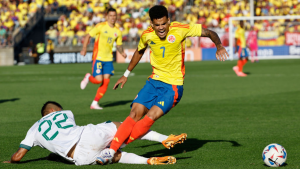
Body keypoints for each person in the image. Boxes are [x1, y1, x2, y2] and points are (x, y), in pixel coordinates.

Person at [96, 5, 229, 164]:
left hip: (172, 87)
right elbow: (139, 51)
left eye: (163, 24)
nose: (161, 28)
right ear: (151, 23)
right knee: (134, 114)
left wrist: (219, 45)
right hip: (153, 82)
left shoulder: (181, 28)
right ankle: (110, 151)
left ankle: (115, 146)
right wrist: (125, 75)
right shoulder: (147, 35)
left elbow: (209, 32)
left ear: (169, 21)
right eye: (157, 25)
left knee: (149, 118)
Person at [3, 101, 183, 166]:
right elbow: (67, 133)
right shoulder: (65, 113)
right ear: (52, 110)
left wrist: (10, 160)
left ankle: (147, 161)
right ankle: (163, 139)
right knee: (123, 126)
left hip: (80, 157)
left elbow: (18, 157)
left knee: (117, 156)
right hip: (88, 135)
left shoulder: (33, 130)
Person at [80, 8, 127, 110]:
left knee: (106, 82)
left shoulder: (117, 31)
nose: (113, 18)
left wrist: (122, 52)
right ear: (107, 16)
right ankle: (88, 77)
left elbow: (119, 45)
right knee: (98, 80)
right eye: (110, 15)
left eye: (114, 16)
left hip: (109, 59)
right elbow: (88, 35)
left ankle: (94, 103)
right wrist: (84, 48)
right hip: (98, 57)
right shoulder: (101, 26)